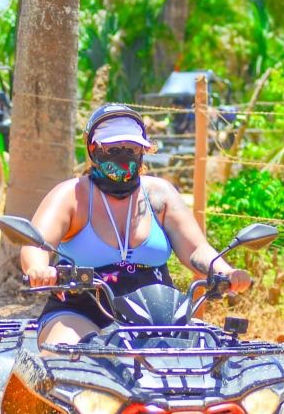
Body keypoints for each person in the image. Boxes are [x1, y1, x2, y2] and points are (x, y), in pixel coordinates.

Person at [20, 103, 252, 345]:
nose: (123, 154)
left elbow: (195, 249)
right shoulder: (71, 195)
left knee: (211, 359)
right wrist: (39, 269)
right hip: (80, 313)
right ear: (92, 148)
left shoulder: (160, 195)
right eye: (112, 148)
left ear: (143, 149)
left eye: (131, 147)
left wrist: (225, 272)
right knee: (68, 356)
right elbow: (36, 244)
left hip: (160, 318)